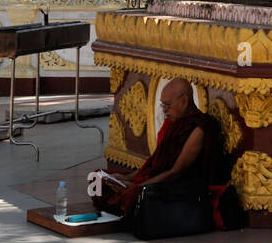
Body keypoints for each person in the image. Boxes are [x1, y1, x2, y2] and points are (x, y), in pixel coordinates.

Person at [93, 78, 222, 222]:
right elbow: (154, 161)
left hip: (176, 189)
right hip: (153, 181)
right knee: (98, 178)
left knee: (130, 196)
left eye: (167, 104)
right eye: (162, 105)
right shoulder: (173, 123)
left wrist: (138, 187)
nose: (164, 110)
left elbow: (175, 172)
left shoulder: (198, 129)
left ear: (184, 101)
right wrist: (127, 178)